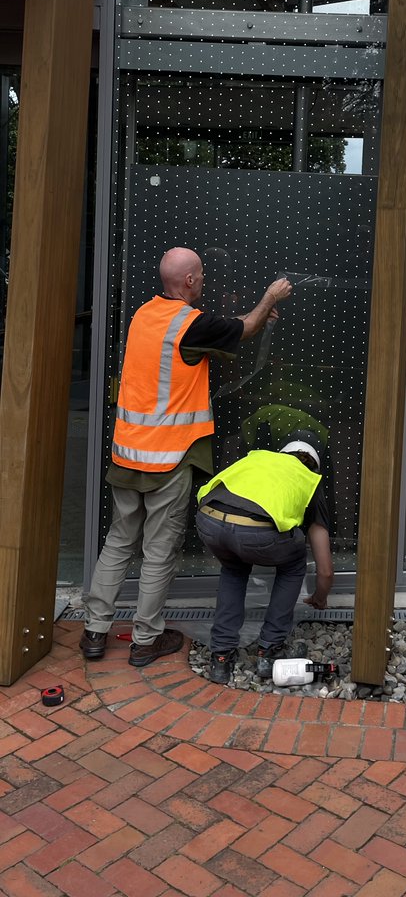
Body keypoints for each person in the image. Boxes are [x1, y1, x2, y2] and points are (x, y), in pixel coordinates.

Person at [79, 248, 292, 667]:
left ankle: (94, 632)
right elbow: (244, 327)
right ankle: (145, 640)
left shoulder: (144, 315)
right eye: (203, 275)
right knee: (159, 551)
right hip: (168, 459)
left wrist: (247, 322)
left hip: (127, 455)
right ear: (190, 280)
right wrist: (270, 297)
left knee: (118, 542)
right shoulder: (190, 324)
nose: (206, 280)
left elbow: (217, 335)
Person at [195, 429, 334, 684]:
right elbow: (324, 569)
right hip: (254, 533)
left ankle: (221, 657)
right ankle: (269, 650)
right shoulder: (309, 480)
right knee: (293, 563)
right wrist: (320, 597)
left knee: (234, 569)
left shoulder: (257, 458)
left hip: (208, 521)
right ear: (315, 466)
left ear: (282, 452)